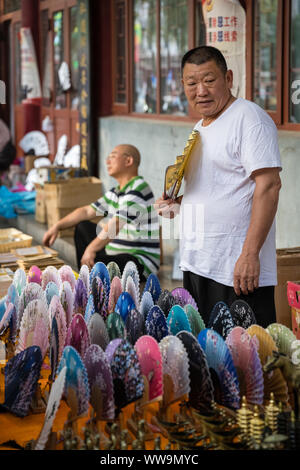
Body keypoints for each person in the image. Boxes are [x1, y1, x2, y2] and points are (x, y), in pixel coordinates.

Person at [154, 46, 282, 328]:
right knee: (210, 357)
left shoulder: (250, 119)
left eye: (209, 80)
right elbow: (217, 190)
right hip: (200, 261)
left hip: (236, 267)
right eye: (192, 83)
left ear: (228, 78)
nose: (201, 90)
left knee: (246, 361)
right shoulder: (200, 127)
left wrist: (250, 255)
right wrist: (177, 204)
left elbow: (269, 185)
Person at [43, 144, 160, 281]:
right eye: (108, 157)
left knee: (100, 266)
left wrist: (91, 249)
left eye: (113, 156)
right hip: (115, 252)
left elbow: (116, 224)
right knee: (83, 227)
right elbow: (86, 211)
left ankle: (89, 277)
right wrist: (57, 226)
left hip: (139, 262)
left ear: (128, 161)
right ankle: (87, 278)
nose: (107, 161)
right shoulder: (115, 192)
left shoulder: (139, 187)